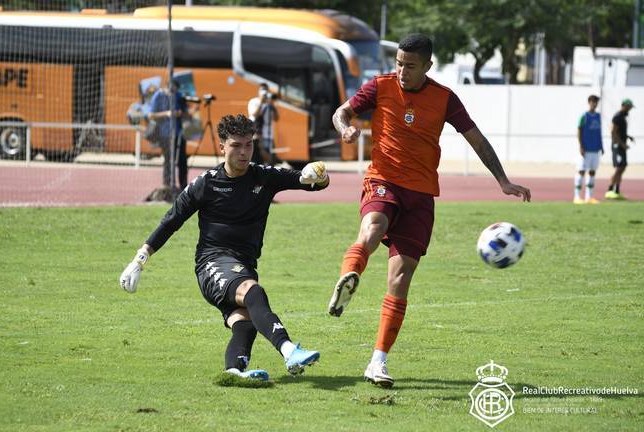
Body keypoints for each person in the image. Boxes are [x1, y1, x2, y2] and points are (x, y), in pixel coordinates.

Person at [327, 34, 531, 388]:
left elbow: (477, 140)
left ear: (427, 66)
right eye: (398, 63)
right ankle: (348, 278)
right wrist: (345, 128)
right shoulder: (379, 86)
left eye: (410, 65)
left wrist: (503, 181)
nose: (402, 71)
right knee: (373, 227)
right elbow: (342, 112)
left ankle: (378, 361)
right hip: (383, 180)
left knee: (400, 279)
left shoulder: (444, 98)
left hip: (420, 196)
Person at [119, 114, 329, 382]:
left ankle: (234, 372)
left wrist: (318, 174)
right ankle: (289, 351)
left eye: (248, 145)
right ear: (222, 147)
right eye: (236, 146)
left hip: (243, 265)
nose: (244, 152)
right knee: (253, 292)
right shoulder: (205, 183)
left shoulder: (263, 176)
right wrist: (139, 259)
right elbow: (171, 221)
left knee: (245, 322)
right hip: (212, 264)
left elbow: (311, 183)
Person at [147, 81, 189, 191]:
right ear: (167, 87)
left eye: (175, 90)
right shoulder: (158, 96)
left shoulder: (179, 96)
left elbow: (186, 113)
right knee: (168, 161)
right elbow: (151, 115)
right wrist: (167, 113)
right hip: (165, 134)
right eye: (172, 90)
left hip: (179, 133)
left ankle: (184, 187)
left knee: (182, 161)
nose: (173, 92)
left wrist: (180, 113)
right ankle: (167, 186)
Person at [574, 95, 603, 204]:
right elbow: (579, 131)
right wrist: (581, 145)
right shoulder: (584, 116)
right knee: (581, 171)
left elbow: (598, 132)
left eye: (596, 102)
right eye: (593, 101)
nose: (594, 104)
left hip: (595, 149)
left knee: (592, 172)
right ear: (589, 102)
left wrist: (601, 146)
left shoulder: (598, 116)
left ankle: (589, 197)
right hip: (586, 149)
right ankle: (577, 197)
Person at [605, 98, 635, 200]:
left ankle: (616, 191)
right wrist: (622, 144)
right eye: (629, 107)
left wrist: (628, 137)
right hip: (617, 146)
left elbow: (621, 132)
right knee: (619, 168)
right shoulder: (617, 116)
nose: (629, 109)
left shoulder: (622, 117)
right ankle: (609, 190)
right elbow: (613, 132)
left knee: (622, 167)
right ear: (624, 106)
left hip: (621, 146)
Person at [248, 83, 279, 164]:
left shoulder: (269, 104)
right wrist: (261, 102)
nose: (265, 92)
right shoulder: (254, 101)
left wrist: (272, 104)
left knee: (269, 160)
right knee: (257, 159)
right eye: (262, 90)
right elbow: (254, 114)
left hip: (268, 135)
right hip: (257, 135)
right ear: (258, 91)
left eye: (266, 90)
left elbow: (276, 118)